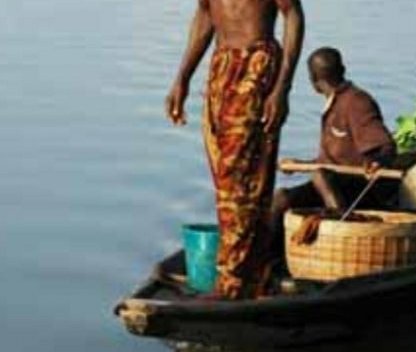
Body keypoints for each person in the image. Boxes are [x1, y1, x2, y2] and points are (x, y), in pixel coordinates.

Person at [164, 0, 305, 299]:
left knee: (236, 175)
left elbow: (293, 14)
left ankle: (232, 281)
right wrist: (182, 78)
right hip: (221, 66)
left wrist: (282, 88)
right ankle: (256, 272)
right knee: (228, 176)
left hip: (257, 63)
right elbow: (205, 14)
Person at [272, 47, 397, 243]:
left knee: (320, 175)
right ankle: (268, 256)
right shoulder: (334, 105)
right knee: (281, 198)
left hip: (357, 190)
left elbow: (386, 146)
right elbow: (330, 161)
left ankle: (341, 228)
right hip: (331, 185)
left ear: (313, 80)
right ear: (343, 69)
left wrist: (377, 161)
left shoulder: (356, 102)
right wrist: (300, 164)